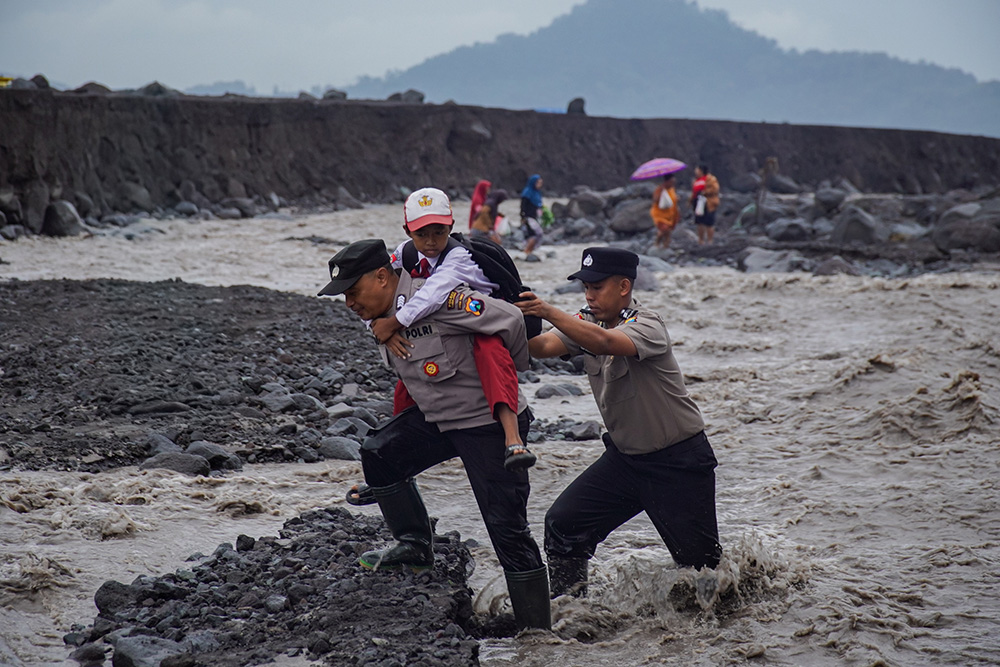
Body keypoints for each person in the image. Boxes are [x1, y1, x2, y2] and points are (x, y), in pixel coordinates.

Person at [318, 239, 551, 630]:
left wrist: (510, 368)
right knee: (379, 452)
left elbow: (510, 319)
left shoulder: (440, 298)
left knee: (506, 529)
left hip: (486, 424)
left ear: (382, 277)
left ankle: (537, 631)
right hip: (437, 419)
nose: (349, 303)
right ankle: (414, 545)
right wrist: (382, 327)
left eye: (353, 292)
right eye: (345, 296)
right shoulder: (379, 313)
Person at [515, 247, 722, 597]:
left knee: (702, 573)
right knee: (564, 525)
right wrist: (506, 312)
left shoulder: (648, 324)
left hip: (678, 464)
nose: (589, 295)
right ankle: (570, 611)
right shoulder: (587, 322)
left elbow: (605, 342)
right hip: (625, 461)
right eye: (585, 287)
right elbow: (541, 347)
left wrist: (548, 310)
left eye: (597, 287)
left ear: (624, 286)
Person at [371, 187, 536, 472]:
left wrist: (393, 323)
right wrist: (375, 324)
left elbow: (432, 294)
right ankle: (394, 457)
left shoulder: (459, 256)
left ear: (451, 227)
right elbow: (376, 288)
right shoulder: (403, 254)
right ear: (407, 231)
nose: (431, 241)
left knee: (491, 355)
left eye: (439, 232)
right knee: (408, 377)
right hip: (437, 327)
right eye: (421, 234)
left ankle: (512, 437)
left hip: (481, 322)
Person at [690, 165, 721, 245]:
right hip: (698, 202)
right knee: (699, 222)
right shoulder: (696, 180)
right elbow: (694, 191)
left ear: (701, 170)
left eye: (697, 170)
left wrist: (704, 191)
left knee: (709, 222)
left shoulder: (711, 179)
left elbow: (715, 189)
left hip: (709, 203)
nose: (695, 171)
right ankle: (701, 240)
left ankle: (710, 240)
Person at [651, 174, 680, 249]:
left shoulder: (672, 189)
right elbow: (655, 200)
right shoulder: (660, 189)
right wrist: (661, 192)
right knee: (664, 229)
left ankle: (666, 246)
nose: (672, 184)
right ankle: (657, 243)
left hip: (671, 214)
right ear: (667, 181)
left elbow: (673, 200)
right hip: (660, 215)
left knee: (668, 231)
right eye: (671, 182)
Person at [519, 174, 545, 259]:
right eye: (538, 182)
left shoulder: (537, 193)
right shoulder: (527, 192)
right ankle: (527, 251)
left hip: (535, 217)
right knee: (534, 234)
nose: (540, 184)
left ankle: (530, 251)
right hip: (528, 217)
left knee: (537, 234)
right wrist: (523, 217)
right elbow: (523, 206)